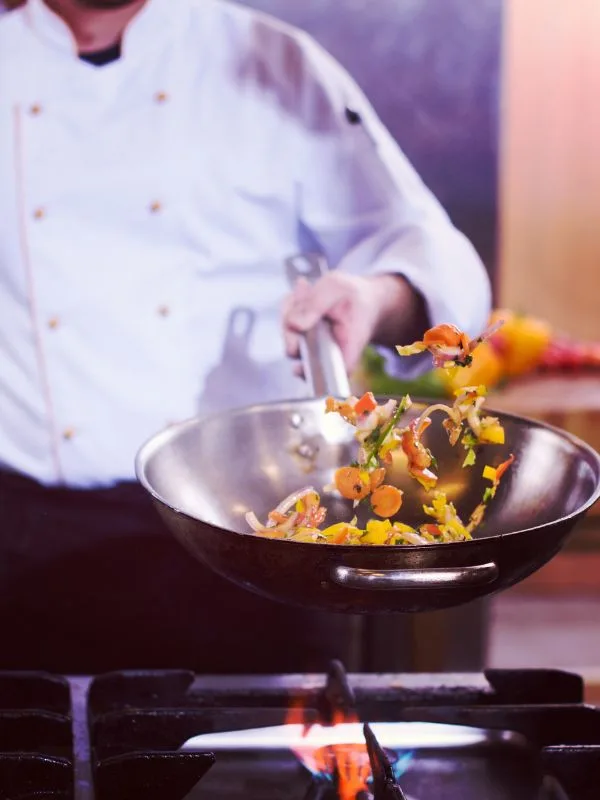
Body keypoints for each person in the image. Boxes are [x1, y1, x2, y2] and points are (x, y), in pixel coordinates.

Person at [0, 0, 491, 674]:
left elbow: (430, 250)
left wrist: (373, 298)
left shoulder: (274, 63)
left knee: (274, 776)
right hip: (24, 547)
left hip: (248, 538)